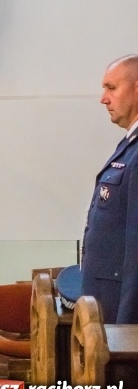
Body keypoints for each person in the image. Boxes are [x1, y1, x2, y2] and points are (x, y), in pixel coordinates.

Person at [81, 55, 138, 324]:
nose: (103, 98)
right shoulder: (128, 146)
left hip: (121, 310)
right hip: (105, 303)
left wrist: (127, 325)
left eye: (112, 88)